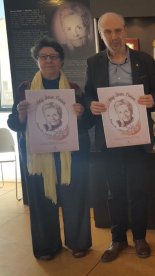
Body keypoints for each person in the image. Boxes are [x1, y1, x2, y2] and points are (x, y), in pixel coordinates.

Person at [7, 37, 93, 260]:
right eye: (43, 57)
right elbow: (14, 124)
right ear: (37, 60)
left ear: (61, 61)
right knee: (41, 201)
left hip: (70, 156)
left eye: (53, 57)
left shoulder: (73, 89)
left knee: (75, 199)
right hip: (38, 156)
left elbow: (87, 124)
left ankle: (78, 243)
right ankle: (47, 247)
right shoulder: (25, 89)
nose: (49, 61)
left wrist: (82, 114)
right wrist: (22, 115)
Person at [85, 12, 155, 262]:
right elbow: (87, 96)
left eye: (118, 31)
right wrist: (91, 105)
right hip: (108, 140)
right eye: (108, 32)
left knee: (139, 190)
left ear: (125, 31)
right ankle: (117, 240)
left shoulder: (145, 60)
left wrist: (152, 100)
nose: (114, 37)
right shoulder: (93, 63)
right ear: (101, 34)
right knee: (113, 191)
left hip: (137, 138)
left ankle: (140, 237)